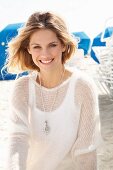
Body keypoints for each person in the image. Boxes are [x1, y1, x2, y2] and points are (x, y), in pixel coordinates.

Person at [6, 11, 102, 170]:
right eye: (37, 46)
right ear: (28, 49)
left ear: (63, 45)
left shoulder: (83, 86)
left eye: (52, 45)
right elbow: (17, 139)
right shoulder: (22, 88)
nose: (45, 54)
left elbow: (85, 151)